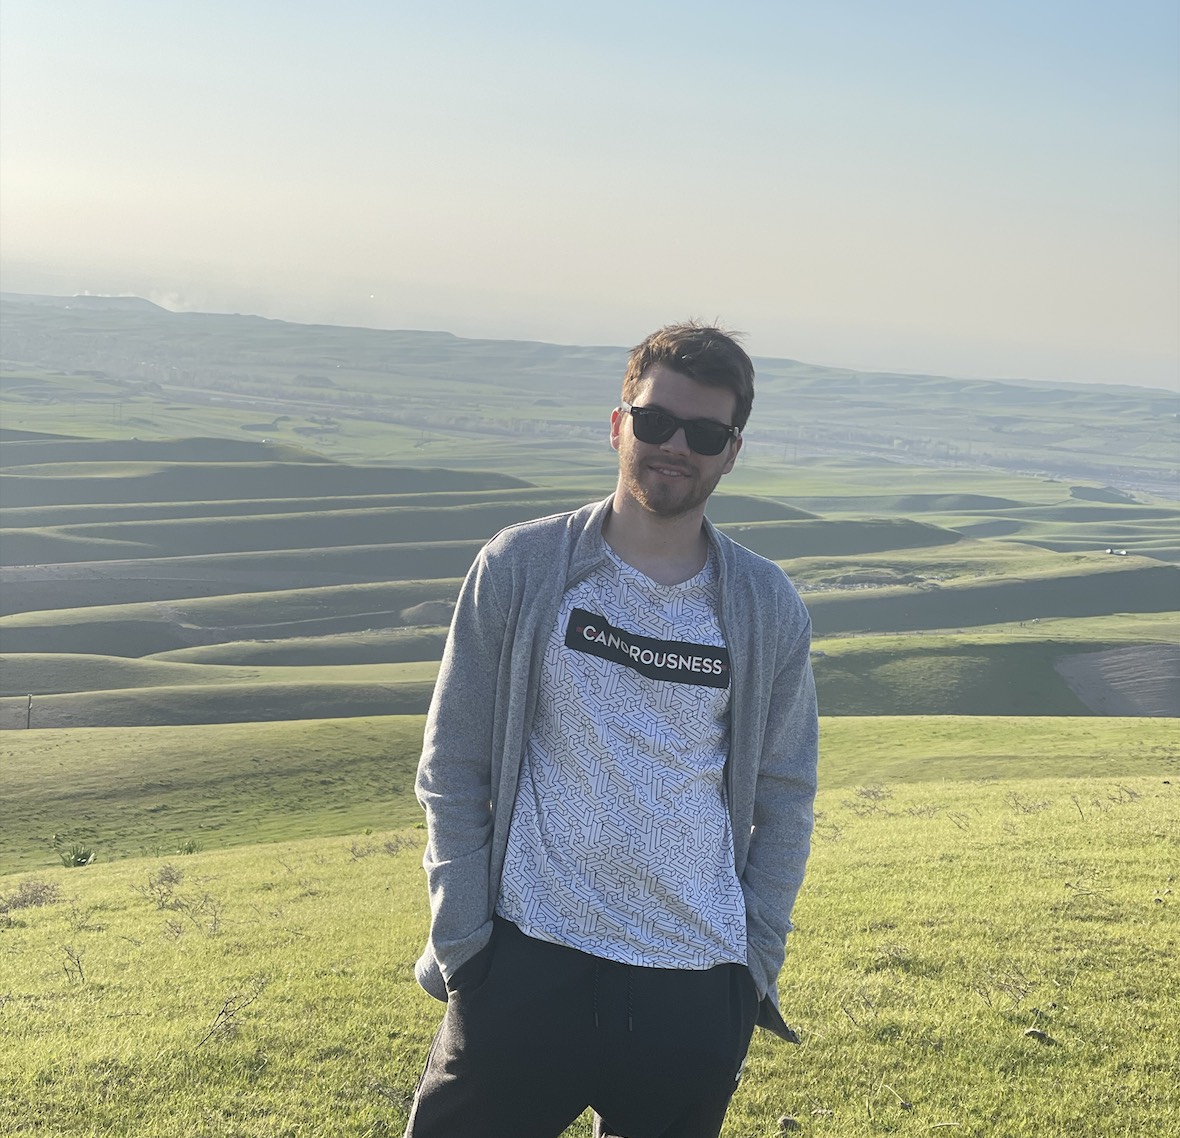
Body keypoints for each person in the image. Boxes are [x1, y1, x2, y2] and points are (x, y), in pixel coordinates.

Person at [405, 322, 819, 1138]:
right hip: (524, 961)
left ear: (732, 452)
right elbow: (452, 765)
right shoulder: (522, 566)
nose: (676, 446)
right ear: (618, 422)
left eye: (704, 434)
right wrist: (465, 943)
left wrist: (752, 965)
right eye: (656, 421)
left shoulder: (766, 605)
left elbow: (786, 795)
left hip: (692, 985)